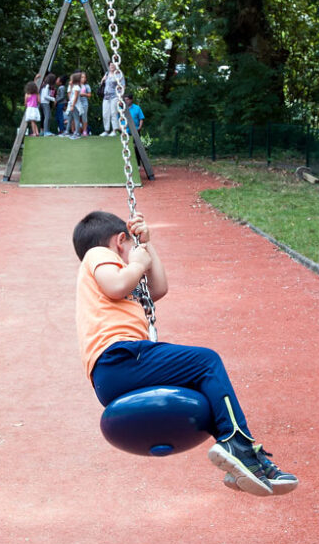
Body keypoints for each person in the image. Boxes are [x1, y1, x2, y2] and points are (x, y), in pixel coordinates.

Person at [72, 210, 299, 496]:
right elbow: (118, 285)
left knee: (204, 381)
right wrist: (138, 260)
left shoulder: (116, 273)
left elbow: (158, 289)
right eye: (131, 245)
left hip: (114, 375)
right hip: (120, 358)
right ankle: (239, 445)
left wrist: (146, 244)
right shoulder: (97, 255)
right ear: (119, 242)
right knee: (206, 361)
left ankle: (244, 462)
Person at [99, 63, 125, 136]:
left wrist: (121, 98)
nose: (112, 66)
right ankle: (106, 130)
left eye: (113, 65)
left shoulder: (119, 74)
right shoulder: (107, 73)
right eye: (111, 65)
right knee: (105, 114)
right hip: (106, 97)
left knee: (113, 113)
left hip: (115, 96)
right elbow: (102, 83)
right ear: (109, 66)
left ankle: (114, 130)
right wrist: (103, 80)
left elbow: (123, 86)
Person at [77, 71, 92, 137]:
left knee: (84, 118)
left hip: (84, 103)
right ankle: (76, 131)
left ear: (86, 79)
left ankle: (85, 131)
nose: (82, 79)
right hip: (77, 103)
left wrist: (84, 94)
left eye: (84, 77)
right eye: (81, 77)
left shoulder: (87, 86)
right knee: (76, 117)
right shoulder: (76, 85)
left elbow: (89, 95)